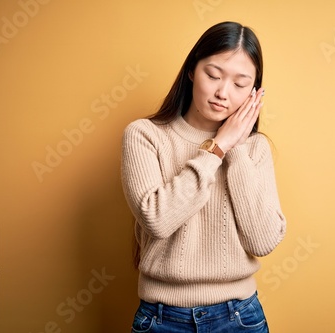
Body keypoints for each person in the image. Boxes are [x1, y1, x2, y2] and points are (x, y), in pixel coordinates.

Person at [121, 21, 286, 333]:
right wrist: (219, 146)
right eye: (213, 75)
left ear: (253, 92)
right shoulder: (144, 136)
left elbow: (263, 240)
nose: (223, 93)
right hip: (161, 319)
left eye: (240, 84)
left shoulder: (255, 149)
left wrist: (235, 147)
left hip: (240, 317)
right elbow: (157, 219)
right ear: (191, 71)